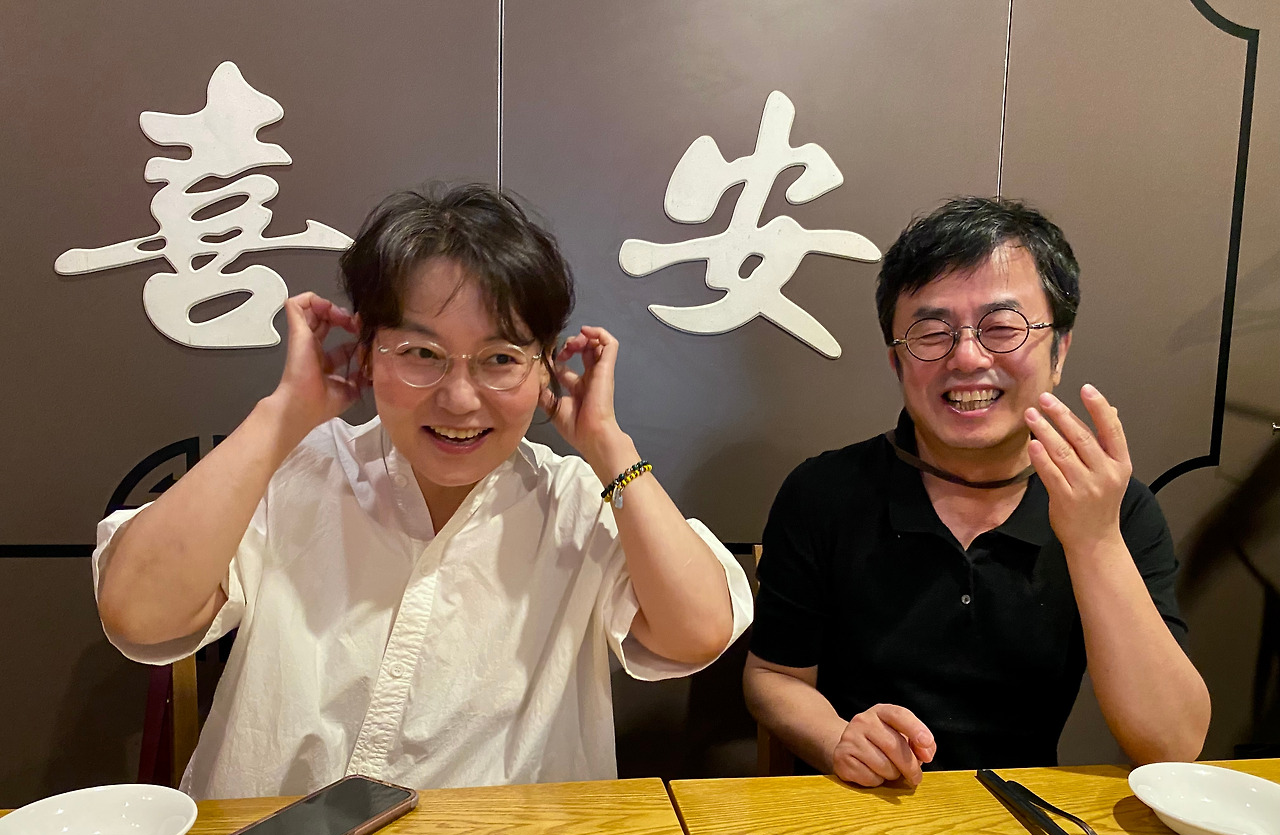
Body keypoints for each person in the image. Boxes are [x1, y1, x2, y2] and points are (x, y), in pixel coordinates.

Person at [94, 183, 752, 799]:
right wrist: (282, 414)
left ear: (545, 364)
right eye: (420, 353)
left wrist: (609, 445)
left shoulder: (575, 501)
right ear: (367, 351)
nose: (459, 398)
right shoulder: (296, 473)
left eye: (500, 359)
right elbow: (139, 612)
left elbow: (696, 633)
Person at [743, 197, 1210, 787]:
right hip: (858, 807)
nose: (967, 357)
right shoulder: (824, 493)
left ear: (1059, 349)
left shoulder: (1116, 509)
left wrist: (1094, 539)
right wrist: (839, 739)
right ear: (896, 362)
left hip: (1027, 817)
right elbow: (773, 677)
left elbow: (1172, 743)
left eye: (1002, 328)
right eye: (931, 332)